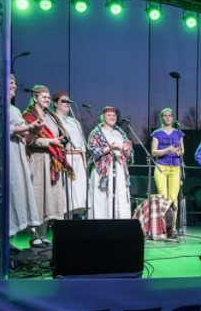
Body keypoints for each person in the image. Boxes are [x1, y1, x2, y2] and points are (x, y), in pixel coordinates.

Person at [0, 74, 42, 251]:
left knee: (17, 192)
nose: (14, 86)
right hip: (2, 150)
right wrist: (29, 127)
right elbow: (1, 127)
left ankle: (6, 238)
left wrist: (33, 131)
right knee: (5, 192)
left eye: (15, 83)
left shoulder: (14, 109)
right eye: (10, 82)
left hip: (16, 151)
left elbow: (25, 138)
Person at [22, 85, 73, 248]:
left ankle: (43, 235)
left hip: (52, 161)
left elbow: (60, 135)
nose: (47, 99)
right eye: (43, 96)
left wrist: (62, 142)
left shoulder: (51, 116)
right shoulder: (28, 116)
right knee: (37, 196)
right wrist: (50, 141)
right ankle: (33, 235)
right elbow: (29, 140)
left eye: (49, 97)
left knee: (49, 198)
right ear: (34, 97)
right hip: (37, 160)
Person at [88, 106, 134, 219]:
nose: (112, 117)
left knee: (119, 197)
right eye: (109, 115)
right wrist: (109, 149)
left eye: (114, 115)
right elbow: (91, 152)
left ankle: (119, 224)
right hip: (103, 171)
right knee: (102, 198)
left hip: (119, 170)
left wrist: (126, 150)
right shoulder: (97, 132)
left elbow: (129, 157)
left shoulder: (120, 133)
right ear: (103, 118)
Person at [52, 91, 88, 219]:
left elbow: (82, 144)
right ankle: (61, 221)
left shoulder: (74, 121)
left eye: (68, 101)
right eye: (63, 101)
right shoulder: (54, 119)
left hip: (78, 158)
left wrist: (84, 163)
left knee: (77, 193)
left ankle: (71, 220)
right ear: (55, 104)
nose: (67, 103)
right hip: (64, 157)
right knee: (65, 191)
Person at [151, 108, 184, 236]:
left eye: (169, 115)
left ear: (173, 118)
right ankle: (163, 226)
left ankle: (173, 227)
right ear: (161, 118)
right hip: (161, 167)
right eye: (165, 115)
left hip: (175, 167)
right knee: (163, 197)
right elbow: (154, 152)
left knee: (173, 198)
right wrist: (167, 149)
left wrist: (178, 152)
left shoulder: (178, 133)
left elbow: (182, 151)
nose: (167, 117)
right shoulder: (157, 133)